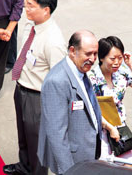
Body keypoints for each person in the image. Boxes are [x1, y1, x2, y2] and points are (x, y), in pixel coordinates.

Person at [3, 0, 66, 175]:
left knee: (37, 144)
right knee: (23, 136)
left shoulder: (53, 41)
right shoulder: (31, 26)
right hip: (21, 88)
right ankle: (24, 167)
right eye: (26, 4)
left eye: (31, 5)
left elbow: (59, 81)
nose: (26, 8)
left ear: (46, 10)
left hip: (37, 98)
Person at [38, 30, 102, 175]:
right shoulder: (57, 81)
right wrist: (69, 171)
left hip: (89, 154)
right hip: (74, 162)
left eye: (95, 54)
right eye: (88, 54)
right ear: (72, 51)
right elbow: (56, 134)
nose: (93, 59)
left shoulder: (80, 70)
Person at [88, 36, 132, 162]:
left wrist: (130, 65)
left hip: (121, 129)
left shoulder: (122, 73)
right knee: (106, 166)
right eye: (112, 59)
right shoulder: (92, 78)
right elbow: (92, 108)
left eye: (120, 58)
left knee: (126, 165)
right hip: (101, 131)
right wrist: (110, 128)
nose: (117, 62)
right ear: (101, 58)